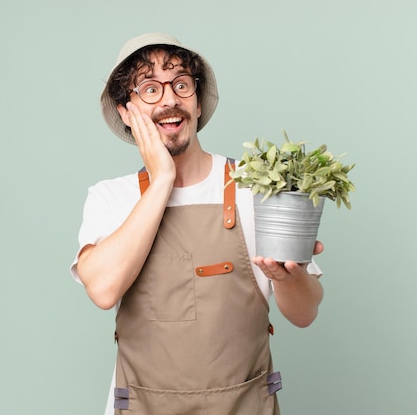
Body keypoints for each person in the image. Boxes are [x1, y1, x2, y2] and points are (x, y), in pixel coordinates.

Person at [70, 32, 324, 415]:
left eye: (182, 85)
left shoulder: (255, 188)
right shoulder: (111, 197)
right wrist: (162, 180)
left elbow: (305, 314)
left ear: (198, 101)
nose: (170, 99)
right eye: (150, 88)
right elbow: (103, 291)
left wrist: (290, 278)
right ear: (126, 111)